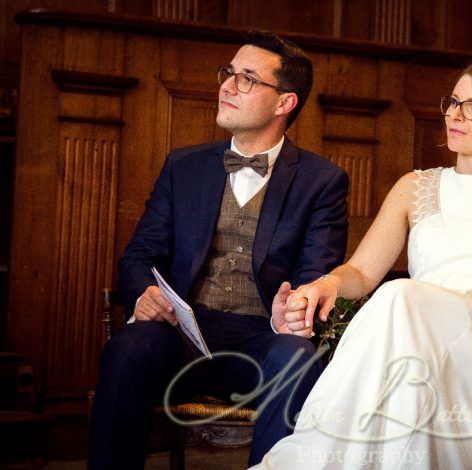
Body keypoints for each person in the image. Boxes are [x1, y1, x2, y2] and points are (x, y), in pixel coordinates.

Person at [256, 60, 472, 469]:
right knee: (401, 308)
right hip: (414, 335)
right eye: (453, 102)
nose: (453, 114)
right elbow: (361, 273)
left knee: (400, 297)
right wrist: (324, 285)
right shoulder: (413, 187)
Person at [88, 30, 349, 469]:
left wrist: (297, 305)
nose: (227, 85)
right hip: (181, 332)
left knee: (298, 358)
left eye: (247, 78)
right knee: (128, 349)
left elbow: (316, 273)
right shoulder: (182, 165)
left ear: (285, 103)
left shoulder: (322, 181)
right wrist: (142, 295)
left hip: (262, 339)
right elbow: (139, 256)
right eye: (228, 73)